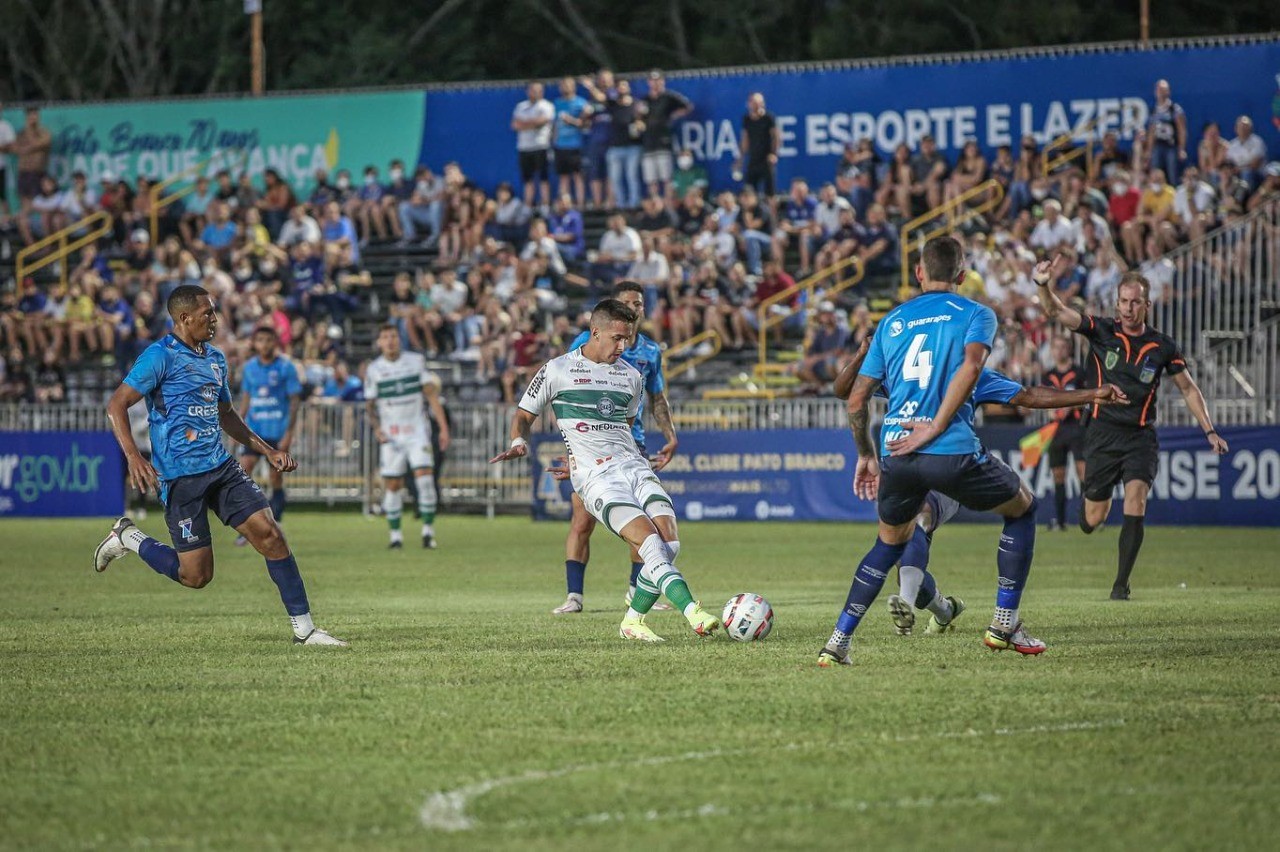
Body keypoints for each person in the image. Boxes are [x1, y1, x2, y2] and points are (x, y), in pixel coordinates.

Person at [821, 236, 1046, 667]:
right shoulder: (975, 314)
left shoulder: (893, 322)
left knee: (888, 543)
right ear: (962, 274)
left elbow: (854, 399)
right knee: (1023, 508)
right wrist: (938, 425)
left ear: (919, 273)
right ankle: (1004, 623)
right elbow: (974, 366)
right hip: (948, 449)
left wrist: (865, 454)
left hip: (896, 452)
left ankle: (838, 642)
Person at [92, 285, 346, 646]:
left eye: (214, 312)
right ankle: (128, 538)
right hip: (180, 477)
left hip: (221, 467)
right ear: (184, 318)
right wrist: (133, 455)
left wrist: (267, 450)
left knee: (271, 536)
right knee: (196, 576)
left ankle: (305, 631)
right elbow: (116, 405)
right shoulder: (159, 356)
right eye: (207, 313)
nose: (214, 319)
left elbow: (226, 415)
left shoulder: (215, 358)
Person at [833, 337, 1127, 635]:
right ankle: (944, 609)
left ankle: (905, 602)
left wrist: (1091, 394)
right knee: (907, 562)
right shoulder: (909, 372)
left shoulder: (971, 373)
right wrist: (862, 354)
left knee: (920, 517)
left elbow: (1029, 396)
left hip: (949, 467)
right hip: (906, 466)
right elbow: (846, 391)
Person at [489, 298, 718, 643]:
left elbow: (622, 427)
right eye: (617, 338)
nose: (623, 346)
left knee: (669, 542)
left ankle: (633, 621)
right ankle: (693, 612)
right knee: (649, 542)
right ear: (595, 333)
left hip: (634, 466)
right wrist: (520, 441)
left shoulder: (631, 376)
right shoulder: (557, 369)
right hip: (596, 479)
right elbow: (523, 414)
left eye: (627, 338)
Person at [1035, 257, 1229, 600]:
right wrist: (1042, 285)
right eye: (1123, 301)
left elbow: (1187, 388)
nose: (1128, 308)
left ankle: (1120, 585)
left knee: (1136, 499)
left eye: (1135, 302)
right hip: (1101, 433)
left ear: (1147, 305)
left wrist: (1209, 431)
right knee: (1092, 520)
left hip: (1140, 436)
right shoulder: (1101, 330)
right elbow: (1056, 311)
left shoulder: (1163, 346)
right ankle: (1091, 508)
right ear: (1117, 303)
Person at [546, 281, 678, 616]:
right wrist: (573, 446)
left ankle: (636, 591)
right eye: (627, 302)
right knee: (582, 520)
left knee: (645, 523)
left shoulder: (650, 351)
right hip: (590, 447)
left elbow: (657, 397)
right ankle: (574, 596)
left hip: (632, 445)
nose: (634, 308)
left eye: (639, 303)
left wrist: (670, 434)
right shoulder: (586, 341)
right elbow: (564, 388)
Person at [365, 324, 451, 549]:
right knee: (393, 485)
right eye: (385, 337)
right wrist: (376, 427)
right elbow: (370, 405)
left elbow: (432, 396)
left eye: (393, 336)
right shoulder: (374, 369)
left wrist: (443, 428)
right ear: (379, 343)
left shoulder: (415, 361)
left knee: (425, 480)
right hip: (391, 436)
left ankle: (428, 533)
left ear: (399, 339)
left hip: (417, 433)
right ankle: (395, 537)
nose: (390, 341)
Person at [233, 326, 303, 547]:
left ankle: (276, 522)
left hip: (277, 432)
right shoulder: (250, 368)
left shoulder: (286, 367)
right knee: (243, 472)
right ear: (254, 343)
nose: (265, 344)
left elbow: (294, 402)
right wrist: (237, 426)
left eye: (269, 339)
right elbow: (246, 398)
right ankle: (247, 527)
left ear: (276, 342)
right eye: (260, 340)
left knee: (275, 479)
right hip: (254, 432)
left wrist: (289, 433)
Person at [1043, 336, 1088, 530]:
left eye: (1063, 347)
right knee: (1058, 475)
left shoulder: (1079, 373)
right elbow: (1043, 399)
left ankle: (1088, 518)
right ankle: (1060, 521)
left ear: (1069, 349)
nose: (1059, 351)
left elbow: (1087, 398)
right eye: (1056, 347)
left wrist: (1071, 404)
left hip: (1076, 428)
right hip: (1056, 430)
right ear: (1052, 350)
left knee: (1083, 472)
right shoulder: (1048, 375)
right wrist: (1051, 411)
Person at [640, 70, 692, 201]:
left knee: (666, 177)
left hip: (663, 141)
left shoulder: (669, 97)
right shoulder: (645, 100)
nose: (655, 83)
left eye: (658, 80)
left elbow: (688, 106)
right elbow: (639, 117)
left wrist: (674, 116)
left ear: (663, 82)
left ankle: (668, 202)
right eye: (653, 81)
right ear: (649, 83)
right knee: (651, 179)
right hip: (648, 143)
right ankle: (656, 203)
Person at [512, 81, 555, 209]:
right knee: (527, 179)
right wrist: (533, 123)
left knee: (543, 177)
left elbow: (542, 122)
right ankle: (528, 206)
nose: (535, 93)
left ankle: (545, 205)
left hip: (541, 146)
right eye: (533, 90)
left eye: (538, 90)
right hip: (524, 147)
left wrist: (525, 123)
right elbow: (515, 125)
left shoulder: (547, 106)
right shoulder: (521, 106)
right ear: (528, 91)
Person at [738, 93, 779, 204]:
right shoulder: (747, 119)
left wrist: (774, 154)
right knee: (750, 191)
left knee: (770, 193)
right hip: (753, 160)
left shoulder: (768, 118)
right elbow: (745, 139)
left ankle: (772, 214)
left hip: (766, 160)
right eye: (753, 103)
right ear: (749, 104)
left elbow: (775, 137)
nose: (756, 105)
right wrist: (740, 159)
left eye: (759, 103)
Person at [1146, 79, 1187, 184]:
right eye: (1159, 90)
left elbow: (1181, 130)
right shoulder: (1154, 111)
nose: (1161, 93)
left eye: (1164, 90)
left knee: (1173, 174)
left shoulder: (1175, 109)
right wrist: (1149, 151)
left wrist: (1181, 149)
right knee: (1156, 173)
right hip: (1157, 146)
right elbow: (1151, 132)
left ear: (1168, 92)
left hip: (1171, 146)